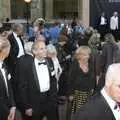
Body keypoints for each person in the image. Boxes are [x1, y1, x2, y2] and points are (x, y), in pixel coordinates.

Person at [15, 40, 59, 120]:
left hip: (49, 99)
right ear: (34, 51)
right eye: (42, 49)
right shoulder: (26, 65)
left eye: (45, 48)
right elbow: (23, 87)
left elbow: (53, 80)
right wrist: (27, 106)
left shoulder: (49, 61)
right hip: (34, 101)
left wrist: (54, 98)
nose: (45, 50)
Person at [67, 46, 96, 118]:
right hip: (77, 95)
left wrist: (94, 90)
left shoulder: (91, 63)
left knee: (87, 114)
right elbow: (70, 80)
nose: (88, 56)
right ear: (79, 55)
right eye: (85, 54)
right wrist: (70, 94)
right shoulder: (74, 64)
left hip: (89, 94)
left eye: (88, 54)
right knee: (77, 114)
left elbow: (93, 78)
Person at [0, 36, 16, 120]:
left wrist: (12, 106)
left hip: (7, 108)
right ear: (5, 50)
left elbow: (8, 86)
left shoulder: (4, 64)